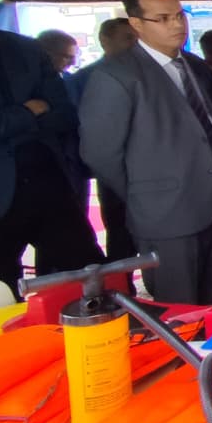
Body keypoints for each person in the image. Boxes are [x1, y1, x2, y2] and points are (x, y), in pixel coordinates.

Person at [79, 0, 212, 304]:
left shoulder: (193, 65)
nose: (177, 25)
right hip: (166, 213)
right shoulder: (117, 75)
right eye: (163, 18)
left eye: (179, 15)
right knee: (178, 308)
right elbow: (101, 153)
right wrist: (148, 192)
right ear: (136, 24)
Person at [0, 31, 102, 291]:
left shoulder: (25, 48)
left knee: (91, 276)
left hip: (47, 182)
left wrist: (13, 122)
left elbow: (63, 113)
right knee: (4, 291)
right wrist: (26, 112)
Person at [64, 18, 139, 265]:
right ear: (105, 41)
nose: (134, 43)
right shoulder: (83, 80)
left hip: (151, 170)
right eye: (127, 37)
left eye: (136, 37)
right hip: (113, 172)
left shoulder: (149, 75)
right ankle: (122, 290)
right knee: (120, 236)